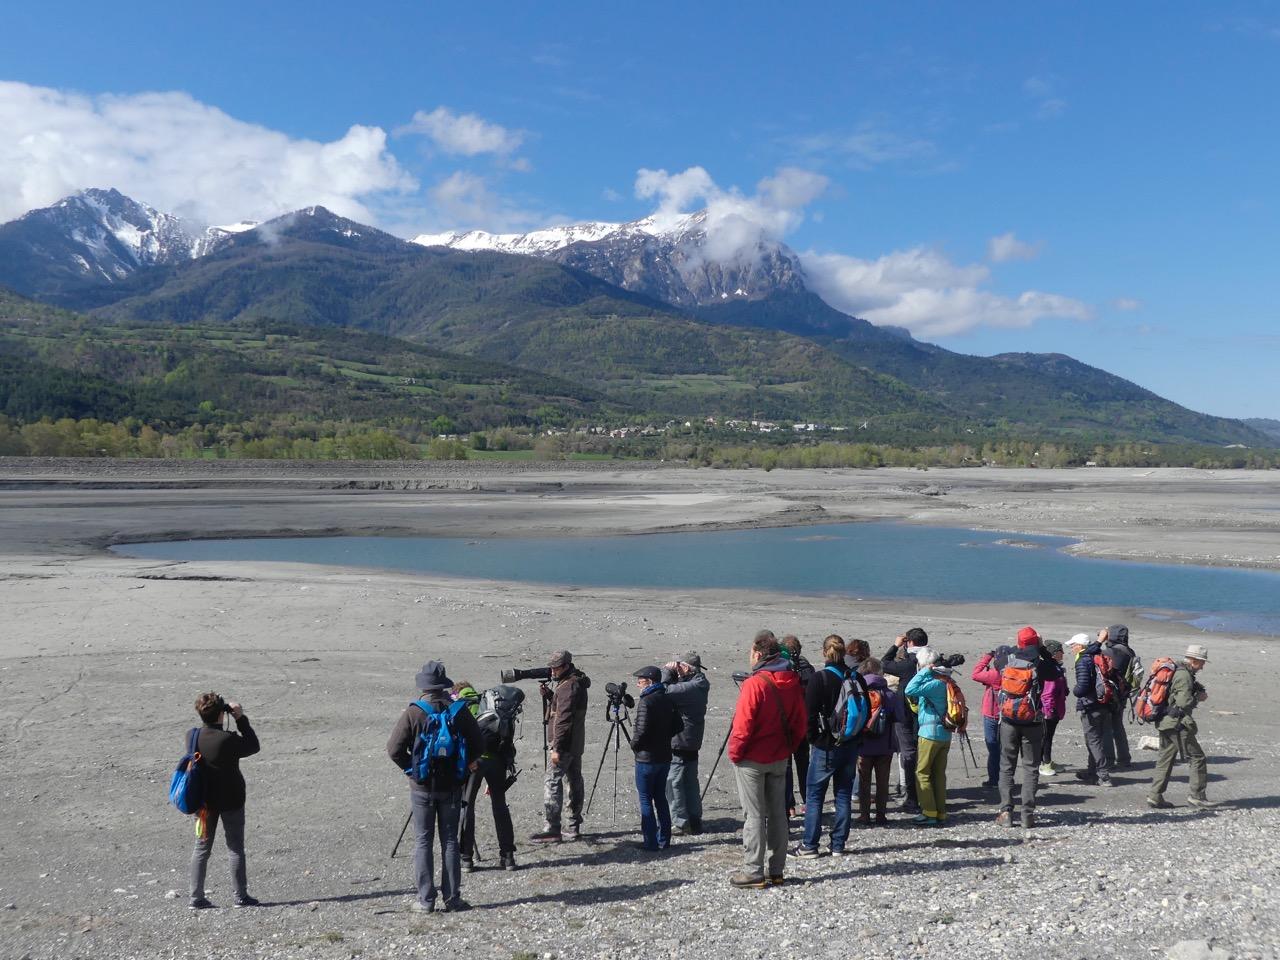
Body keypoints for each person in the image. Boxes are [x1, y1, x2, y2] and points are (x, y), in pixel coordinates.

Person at [387, 660, 484, 912]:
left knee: (423, 841)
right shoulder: (459, 710)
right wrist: (464, 767)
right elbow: (479, 745)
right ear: (444, 685)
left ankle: (426, 900)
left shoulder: (414, 712)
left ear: (424, 686)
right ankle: (452, 898)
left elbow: (394, 749)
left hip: (421, 787)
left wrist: (412, 769)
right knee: (450, 841)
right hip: (452, 785)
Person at [727, 629, 807, 889]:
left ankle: (753, 871)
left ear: (759, 654)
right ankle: (776, 869)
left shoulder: (755, 684)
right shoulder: (791, 680)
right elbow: (799, 723)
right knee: (778, 814)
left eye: (751, 652)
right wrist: (789, 748)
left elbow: (743, 725)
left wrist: (735, 754)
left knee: (754, 816)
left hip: (753, 758)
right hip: (779, 756)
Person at [187, 692, 261, 910]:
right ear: (222, 714)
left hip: (203, 803)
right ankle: (240, 896)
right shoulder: (228, 740)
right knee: (235, 848)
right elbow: (253, 745)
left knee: (201, 848)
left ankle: (196, 897)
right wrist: (240, 718)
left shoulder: (192, 736)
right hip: (232, 799)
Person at [797, 635, 862, 857]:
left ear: (824, 652)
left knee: (815, 795)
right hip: (850, 743)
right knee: (843, 794)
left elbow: (810, 714)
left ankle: (809, 845)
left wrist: (813, 739)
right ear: (844, 653)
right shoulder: (855, 677)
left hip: (825, 745)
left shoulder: (820, 678)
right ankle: (837, 845)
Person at [993, 627, 1059, 828]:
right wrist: (1041, 649)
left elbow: (997, 662)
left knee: (1006, 766)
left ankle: (1006, 812)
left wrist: (1023, 645)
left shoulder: (1006, 660)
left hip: (1008, 720)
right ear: (1036, 643)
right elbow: (1056, 671)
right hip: (1033, 721)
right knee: (1030, 767)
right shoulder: (1040, 663)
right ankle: (1027, 814)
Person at [453, 681, 518, 872]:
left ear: (455, 692)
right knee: (500, 806)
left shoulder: (461, 704)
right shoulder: (489, 702)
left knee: (467, 805)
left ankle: (466, 858)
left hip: (475, 762)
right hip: (497, 760)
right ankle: (508, 857)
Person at [531, 650, 591, 843]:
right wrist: (550, 696)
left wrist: (556, 747)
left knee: (552, 781)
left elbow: (563, 719)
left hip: (564, 744)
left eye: (555, 667)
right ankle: (573, 826)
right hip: (575, 743)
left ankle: (552, 828)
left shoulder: (568, 686)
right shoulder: (576, 682)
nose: (552, 671)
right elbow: (566, 708)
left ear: (566, 666)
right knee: (574, 780)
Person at [1148, 645, 1213, 809]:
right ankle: (1197, 796)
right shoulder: (1184, 676)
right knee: (1197, 758)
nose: (1203, 666)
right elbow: (1184, 702)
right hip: (1177, 724)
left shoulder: (1177, 671)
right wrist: (1198, 697)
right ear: (1194, 660)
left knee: (1165, 759)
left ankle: (1155, 796)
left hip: (1165, 722)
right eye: (1201, 662)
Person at [630, 665, 684, 850]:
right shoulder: (667, 699)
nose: (638, 684)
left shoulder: (647, 701)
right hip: (664, 756)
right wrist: (663, 736)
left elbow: (641, 730)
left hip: (647, 758)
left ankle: (650, 842)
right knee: (661, 798)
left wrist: (634, 745)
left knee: (645, 799)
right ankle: (664, 839)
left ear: (650, 681)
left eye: (640, 681)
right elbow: (678, 726)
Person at [882, 627, 930, 813]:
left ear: (909, 642)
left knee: (909, 754)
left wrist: (895, 646)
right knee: (925, 754)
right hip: (928, 714)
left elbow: (884, 664)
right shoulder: (932, 660)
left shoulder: (909, 663)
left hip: (905, 714)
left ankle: (912, 797)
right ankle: (927, 794)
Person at [662, 652, 710, 836]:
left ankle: (681, 823)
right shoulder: (700, 682)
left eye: (680, 666)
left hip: (681, 740)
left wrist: (666, 672)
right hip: (692, 739)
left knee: (673, 782)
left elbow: (663, 690)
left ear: (686, 667)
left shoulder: (690, 688)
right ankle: (695, 820)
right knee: (690, 780)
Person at [903, 649, 952, 826]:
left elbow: (910, 688)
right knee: (938, 774)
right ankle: (940, 812)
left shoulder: (933, 683)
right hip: (944, 734)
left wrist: (924, 670)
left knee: (922, 773)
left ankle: (929, 812)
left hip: (929, 734)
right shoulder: (947, 680)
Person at [855, 658, 906, 824]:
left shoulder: (858, 693)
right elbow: (900, 717)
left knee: (864, 781)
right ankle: (881, 815)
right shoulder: (890, 694)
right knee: (883, 782)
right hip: (885, 745)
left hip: (863, 745)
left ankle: (864, 815)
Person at [1072, 632, 1115, 786]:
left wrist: (1075, 691)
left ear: (1079, 646)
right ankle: (1092, 772)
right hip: (1103, 703)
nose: (1071, 648)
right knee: (1095, 740)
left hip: (1091, 705)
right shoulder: (1096, 655)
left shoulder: (1083, 660)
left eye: (1073, 645)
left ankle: (1103, 776)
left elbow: (1082, 686)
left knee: (1093, 741)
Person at [779, 634, 815, 817]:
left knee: (786, 767)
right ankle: (808, 801)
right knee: (803, 764)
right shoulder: (807, 668)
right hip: (803, 722)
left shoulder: (783, 669)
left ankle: (789, 804)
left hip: (788, 724)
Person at [1101, 625, 1137, 768]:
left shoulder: (1112, 652)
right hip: (1122, 694)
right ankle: (1124, 758)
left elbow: (1103, 666)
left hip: (1112, 695)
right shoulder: (1128, 651)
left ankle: (1109, 760)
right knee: (1117, 726)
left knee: (1107, 727)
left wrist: (1100, 641)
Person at [970, 648, 1004, 788]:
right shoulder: (1011, 673)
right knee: (1004, 748)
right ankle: (1006, 777)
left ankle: (994, 779)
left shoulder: (995, 674)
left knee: (993, 747)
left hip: (992, 713)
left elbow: (975, 674)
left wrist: (986, 658)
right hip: (1007, 714)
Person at [1038, 640, 1069, 777]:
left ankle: (1047, 760)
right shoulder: (1050, 668)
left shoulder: (1055, 666)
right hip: (1048, 710)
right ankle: (1043, 764)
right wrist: (1049, 711)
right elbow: (1047, 694)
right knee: (1045, 737)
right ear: (1054, 653)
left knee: (1048, 736)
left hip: (1055, 708)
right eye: (1060, 650)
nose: (1063, 653)